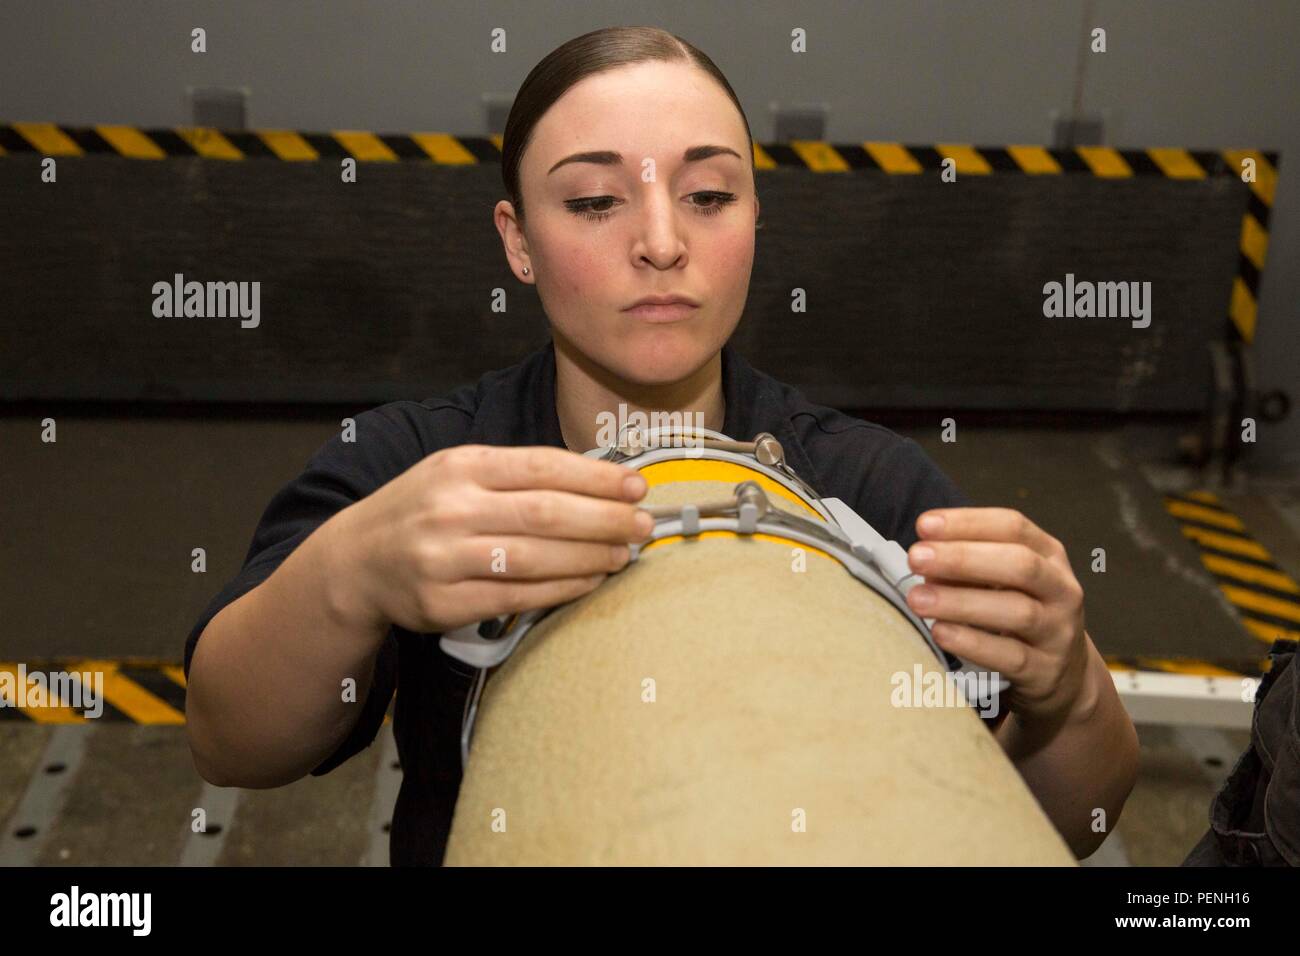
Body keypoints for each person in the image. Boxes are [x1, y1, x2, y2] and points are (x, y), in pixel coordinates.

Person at [183, 25, 1138, 866]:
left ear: (757, 219)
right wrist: (352, 572)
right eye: (595, 201)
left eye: (710, 194)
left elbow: (1067, 822)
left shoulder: (865, 486)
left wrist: (1070, 693)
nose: (660, 241)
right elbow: (233, 745)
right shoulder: (419, 468)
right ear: (516, 242)